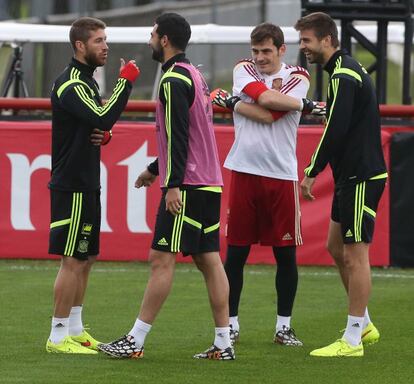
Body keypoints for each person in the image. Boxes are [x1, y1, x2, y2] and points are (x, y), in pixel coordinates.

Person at [98, 13, 234, 361]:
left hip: (186, 185)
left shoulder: (173, 79)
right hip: (209, 182)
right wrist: (154, 168)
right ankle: (224, 343)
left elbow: (178, 136)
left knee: (161, 258)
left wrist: (171, 183)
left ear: (164, 39)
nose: (149, 39)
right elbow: (190, 134)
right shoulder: (195, 75)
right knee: (209, 259)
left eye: (152, 33)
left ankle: (136, 340)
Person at [211, 23, 324, 347]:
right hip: (244, 169)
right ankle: (230, 324)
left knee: (285, 255)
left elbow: (270, 113)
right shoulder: (242, 68)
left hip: (281, 174)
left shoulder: (298, 75)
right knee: (235, 254)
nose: (259, 58)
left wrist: (231, 102)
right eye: (256, 51)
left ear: (281, 50)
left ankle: (283, 327)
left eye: (266, 51)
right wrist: (301, 106)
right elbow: (266, 103)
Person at [294, 12, 387, 357]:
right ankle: (364, 324)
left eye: (307, 40)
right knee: (336, 247)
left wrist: (312, 169)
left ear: (327, 39)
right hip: (351, 176)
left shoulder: (344, 74)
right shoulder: (342, 72)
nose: (303, 47)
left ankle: (351, 340)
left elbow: (336, 127)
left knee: (355, 254)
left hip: (362, 175)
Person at [46, 16, 140, 354]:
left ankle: (76, 329)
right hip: (70, 185)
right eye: (99, 40)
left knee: (87, 257)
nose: (106, 46)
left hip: (86, 182)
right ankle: (57, 337)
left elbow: (94, 122)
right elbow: (101, 116)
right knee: (72, 260)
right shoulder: (71, 83)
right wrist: (124, 83)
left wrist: (106, 132)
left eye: (106, 39)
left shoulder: (85, 83)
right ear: (80, 45)